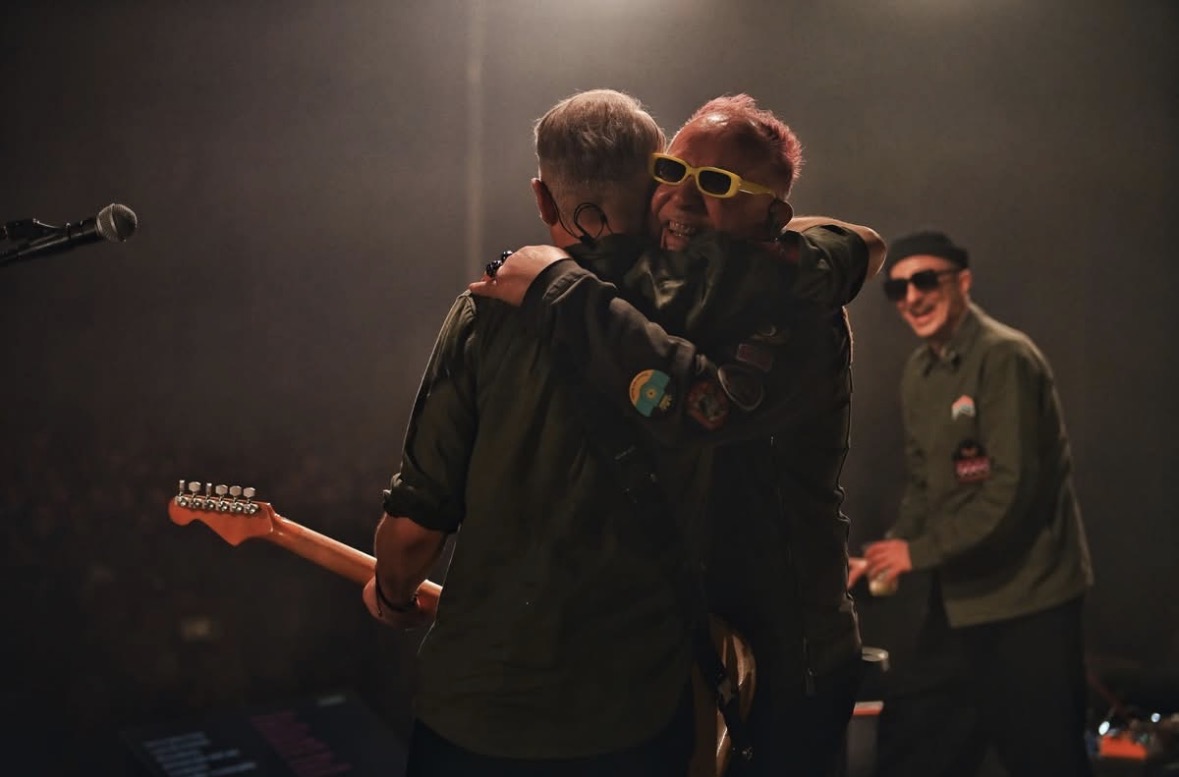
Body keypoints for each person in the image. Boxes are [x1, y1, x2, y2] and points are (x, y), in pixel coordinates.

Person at [474, 94, 885, 776]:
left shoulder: (799, 311)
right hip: (681, 639)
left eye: (717, 183)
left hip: (785, 650)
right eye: (671, 171)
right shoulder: (663, 279)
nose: (684, 197)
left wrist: (559, 288)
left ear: (772, 218)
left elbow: (703, 408)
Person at [854, 229, 1094, 777]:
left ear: (963, 281)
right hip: (962, 599)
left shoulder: (1005, 356)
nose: (911, 297)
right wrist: (887, 555)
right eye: (897, 288)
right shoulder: (920, 372)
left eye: (924, 280)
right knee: (913, 747)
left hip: (1029, 603)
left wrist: (918, 553)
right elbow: (923, 486)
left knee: (1046, 759)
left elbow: (1011, 493)